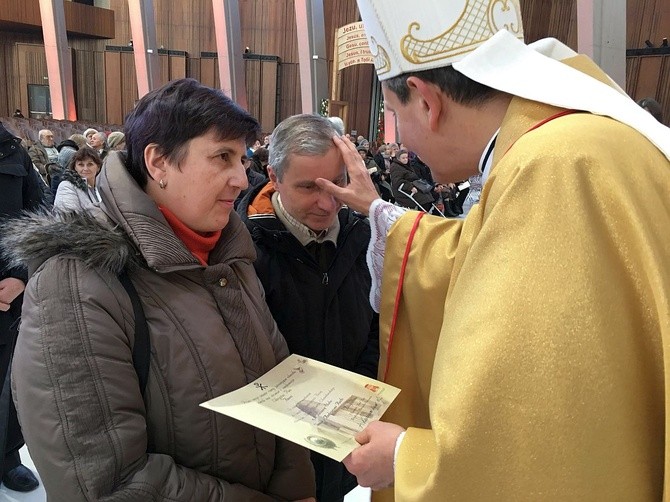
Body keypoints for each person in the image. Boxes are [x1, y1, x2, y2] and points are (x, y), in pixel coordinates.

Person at [314, 0, 670, 500]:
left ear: (426, 100)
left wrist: (404, 458)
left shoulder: (551, 169)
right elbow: (484, 254)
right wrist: (385, 218)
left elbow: (538, 431)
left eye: (396, 115)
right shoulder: (568, 142)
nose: (405, 139)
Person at [1, 78, 316, 501]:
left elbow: (280, 381)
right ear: (158, 163)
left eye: (242, 158)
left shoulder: (229, 255)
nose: (243, 178)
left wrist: (297, 488)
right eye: (222, 156)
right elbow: (106, 481)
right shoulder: (75, 284)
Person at [237, 114, 379, 502]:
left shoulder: (366, 236)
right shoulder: (241, 250)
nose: (327, 202)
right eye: (308, 187)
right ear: (273, 176)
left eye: (337, 184)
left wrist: (355, 400)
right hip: (273, 455)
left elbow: (379, 327)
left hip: (345, 444)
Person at [0, 121, 41, 493]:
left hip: (7, 299)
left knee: (6, 381)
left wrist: (21, 277)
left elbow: (39, 219)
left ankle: (7, 456)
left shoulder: (13, 152)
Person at [54, 147, 103, 213]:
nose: (85, 169)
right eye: (81, 165)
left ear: (98, 167)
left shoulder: (102, 186)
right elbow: (68, 219)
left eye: (90, 164)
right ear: (75, 167)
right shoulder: (66, 186)